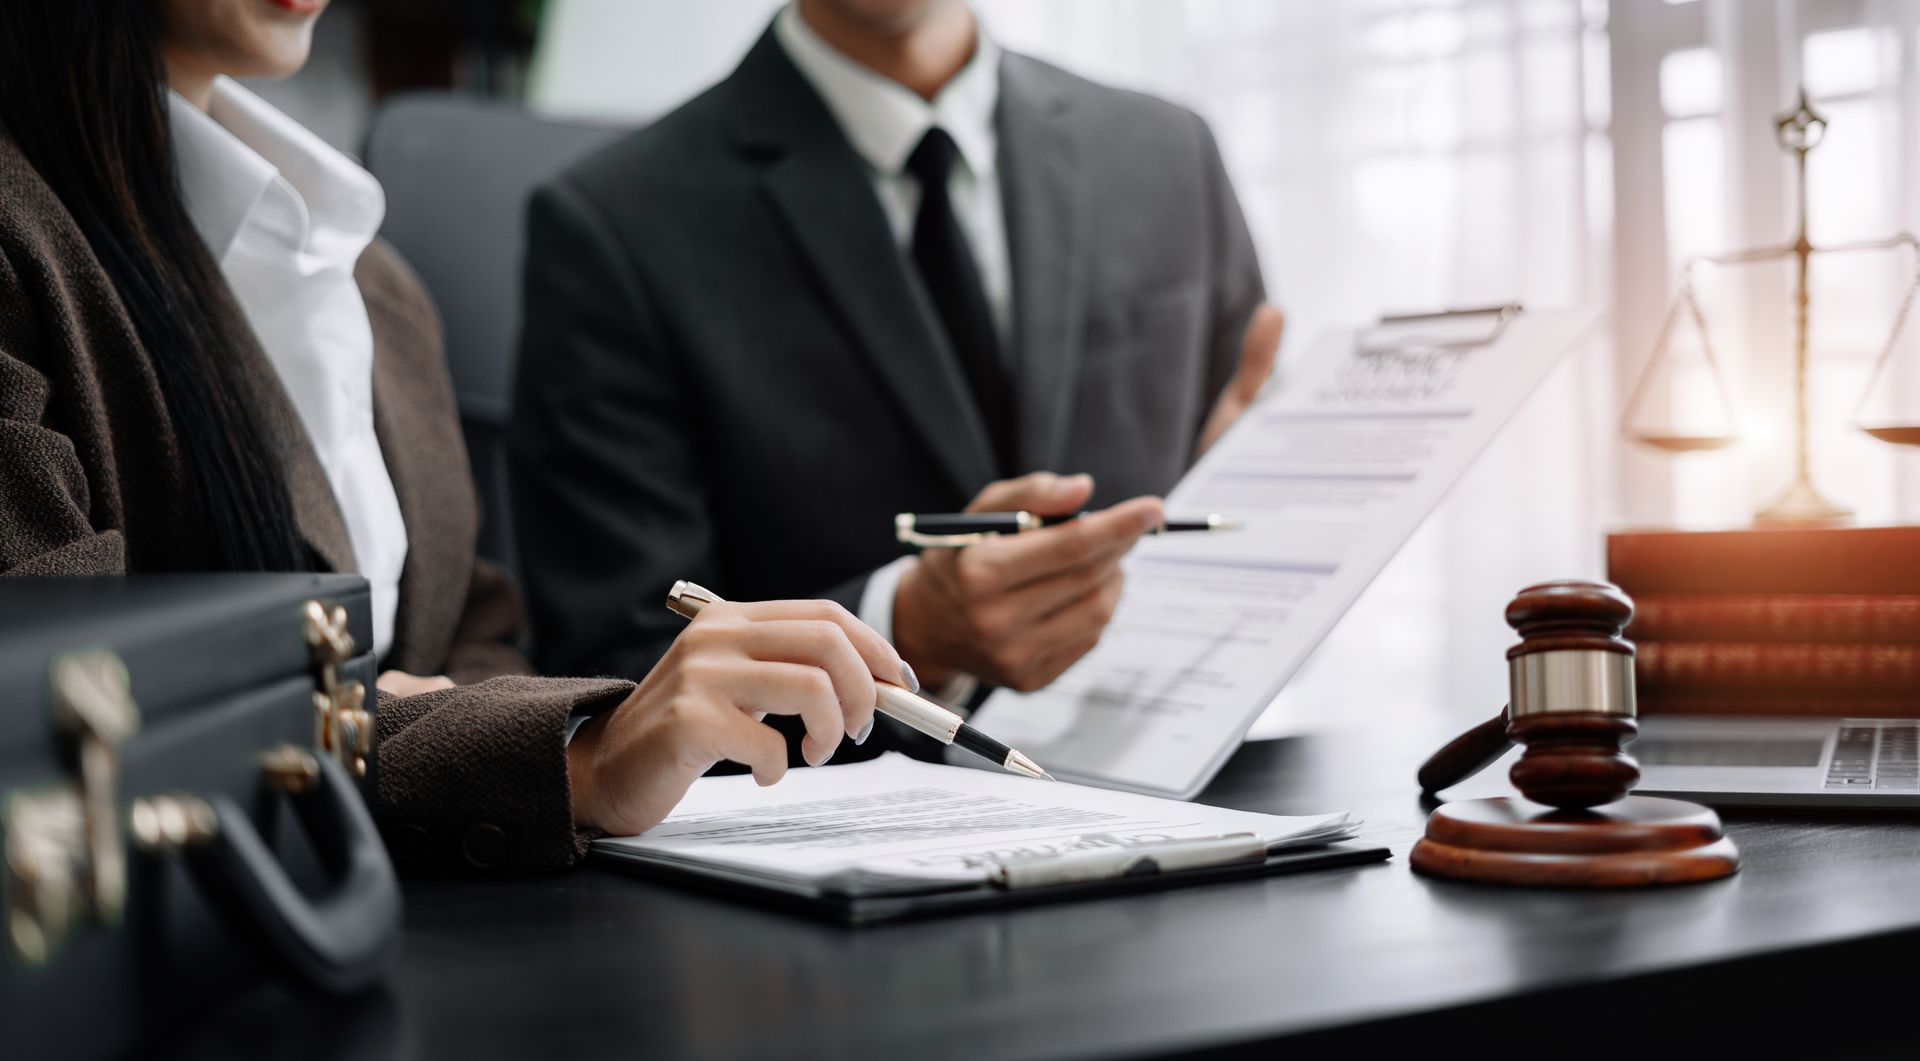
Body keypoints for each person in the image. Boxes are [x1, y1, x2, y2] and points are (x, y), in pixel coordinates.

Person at [0, 0, 905, 871]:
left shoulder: (367, 275)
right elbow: (66, 712)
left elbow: (473, 631)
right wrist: (569, 755)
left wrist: (426, 724)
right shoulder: (24, 241)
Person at [513, 0, 1282, 720]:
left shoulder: (1170, 153)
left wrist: (1277, 509)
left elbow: (1246, 490)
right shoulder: (614, 226)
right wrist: (904, 629)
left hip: (1171, 770)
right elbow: (615, 677)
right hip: (828, 800)